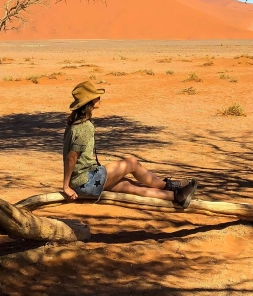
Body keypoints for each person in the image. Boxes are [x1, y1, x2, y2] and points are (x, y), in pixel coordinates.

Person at [62, 80, 198, 207]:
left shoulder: (73, 124)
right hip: (86, 180)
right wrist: (66, 187)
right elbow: (71, 157)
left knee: (129, 186)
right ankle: (168, 186)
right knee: (132, 163)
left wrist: (70, 185)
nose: (99, 98)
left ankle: (176, 196)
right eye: (96, 96)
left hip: (83, 182)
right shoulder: (85, 127)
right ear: (90, 101)